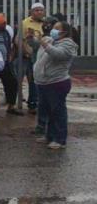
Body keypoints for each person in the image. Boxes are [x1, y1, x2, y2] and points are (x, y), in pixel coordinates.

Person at [34, 21, 78, 149]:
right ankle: (49, 136)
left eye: (56, 28)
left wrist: (46, 46)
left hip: (57, 83)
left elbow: (60, 55)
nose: (53, 30)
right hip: (43, 82)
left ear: (64, 31)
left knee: (57, 112)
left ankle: (60, 139)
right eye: (53, 28)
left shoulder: (69, 44)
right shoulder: (50, 40)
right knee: (47, 111)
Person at [19, 3, 46, 115]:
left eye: (41, 10)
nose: (39, 12)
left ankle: (40, 102)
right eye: (36, 10)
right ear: (31, 11)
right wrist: (26, 52)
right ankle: (32, 104)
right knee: (31, 80)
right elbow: (19, 39)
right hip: (28, 56)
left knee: (40, 80)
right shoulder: (24, 23)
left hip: (43, 56)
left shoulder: (46, 23)